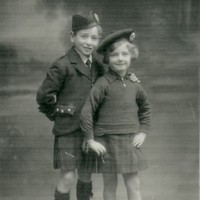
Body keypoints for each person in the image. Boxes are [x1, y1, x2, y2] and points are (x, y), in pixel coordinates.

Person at [36, 11, 140, 200]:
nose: (88, 42)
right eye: (83, 36)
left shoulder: (98, 67)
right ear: (72, 36)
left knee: (85, 175)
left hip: (90, 132)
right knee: (68, 177)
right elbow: (43, 96)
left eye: (94, 38)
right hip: (68, 131)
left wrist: (129, 77)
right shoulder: (62, 65)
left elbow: (113, 79)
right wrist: (60, 116)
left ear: (98, 40)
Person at [80, 29, 151, 200]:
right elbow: (86, 111)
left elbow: (145, 108)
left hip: (128, 142)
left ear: (131, 57)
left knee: (133, 184)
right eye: (114, 55)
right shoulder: (102, 84)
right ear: (107, 59)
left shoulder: (134, 84)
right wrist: (90, 140)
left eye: (125, 54)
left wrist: (143, 132)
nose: (120, 58)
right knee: (110, 184)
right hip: (106, 142)